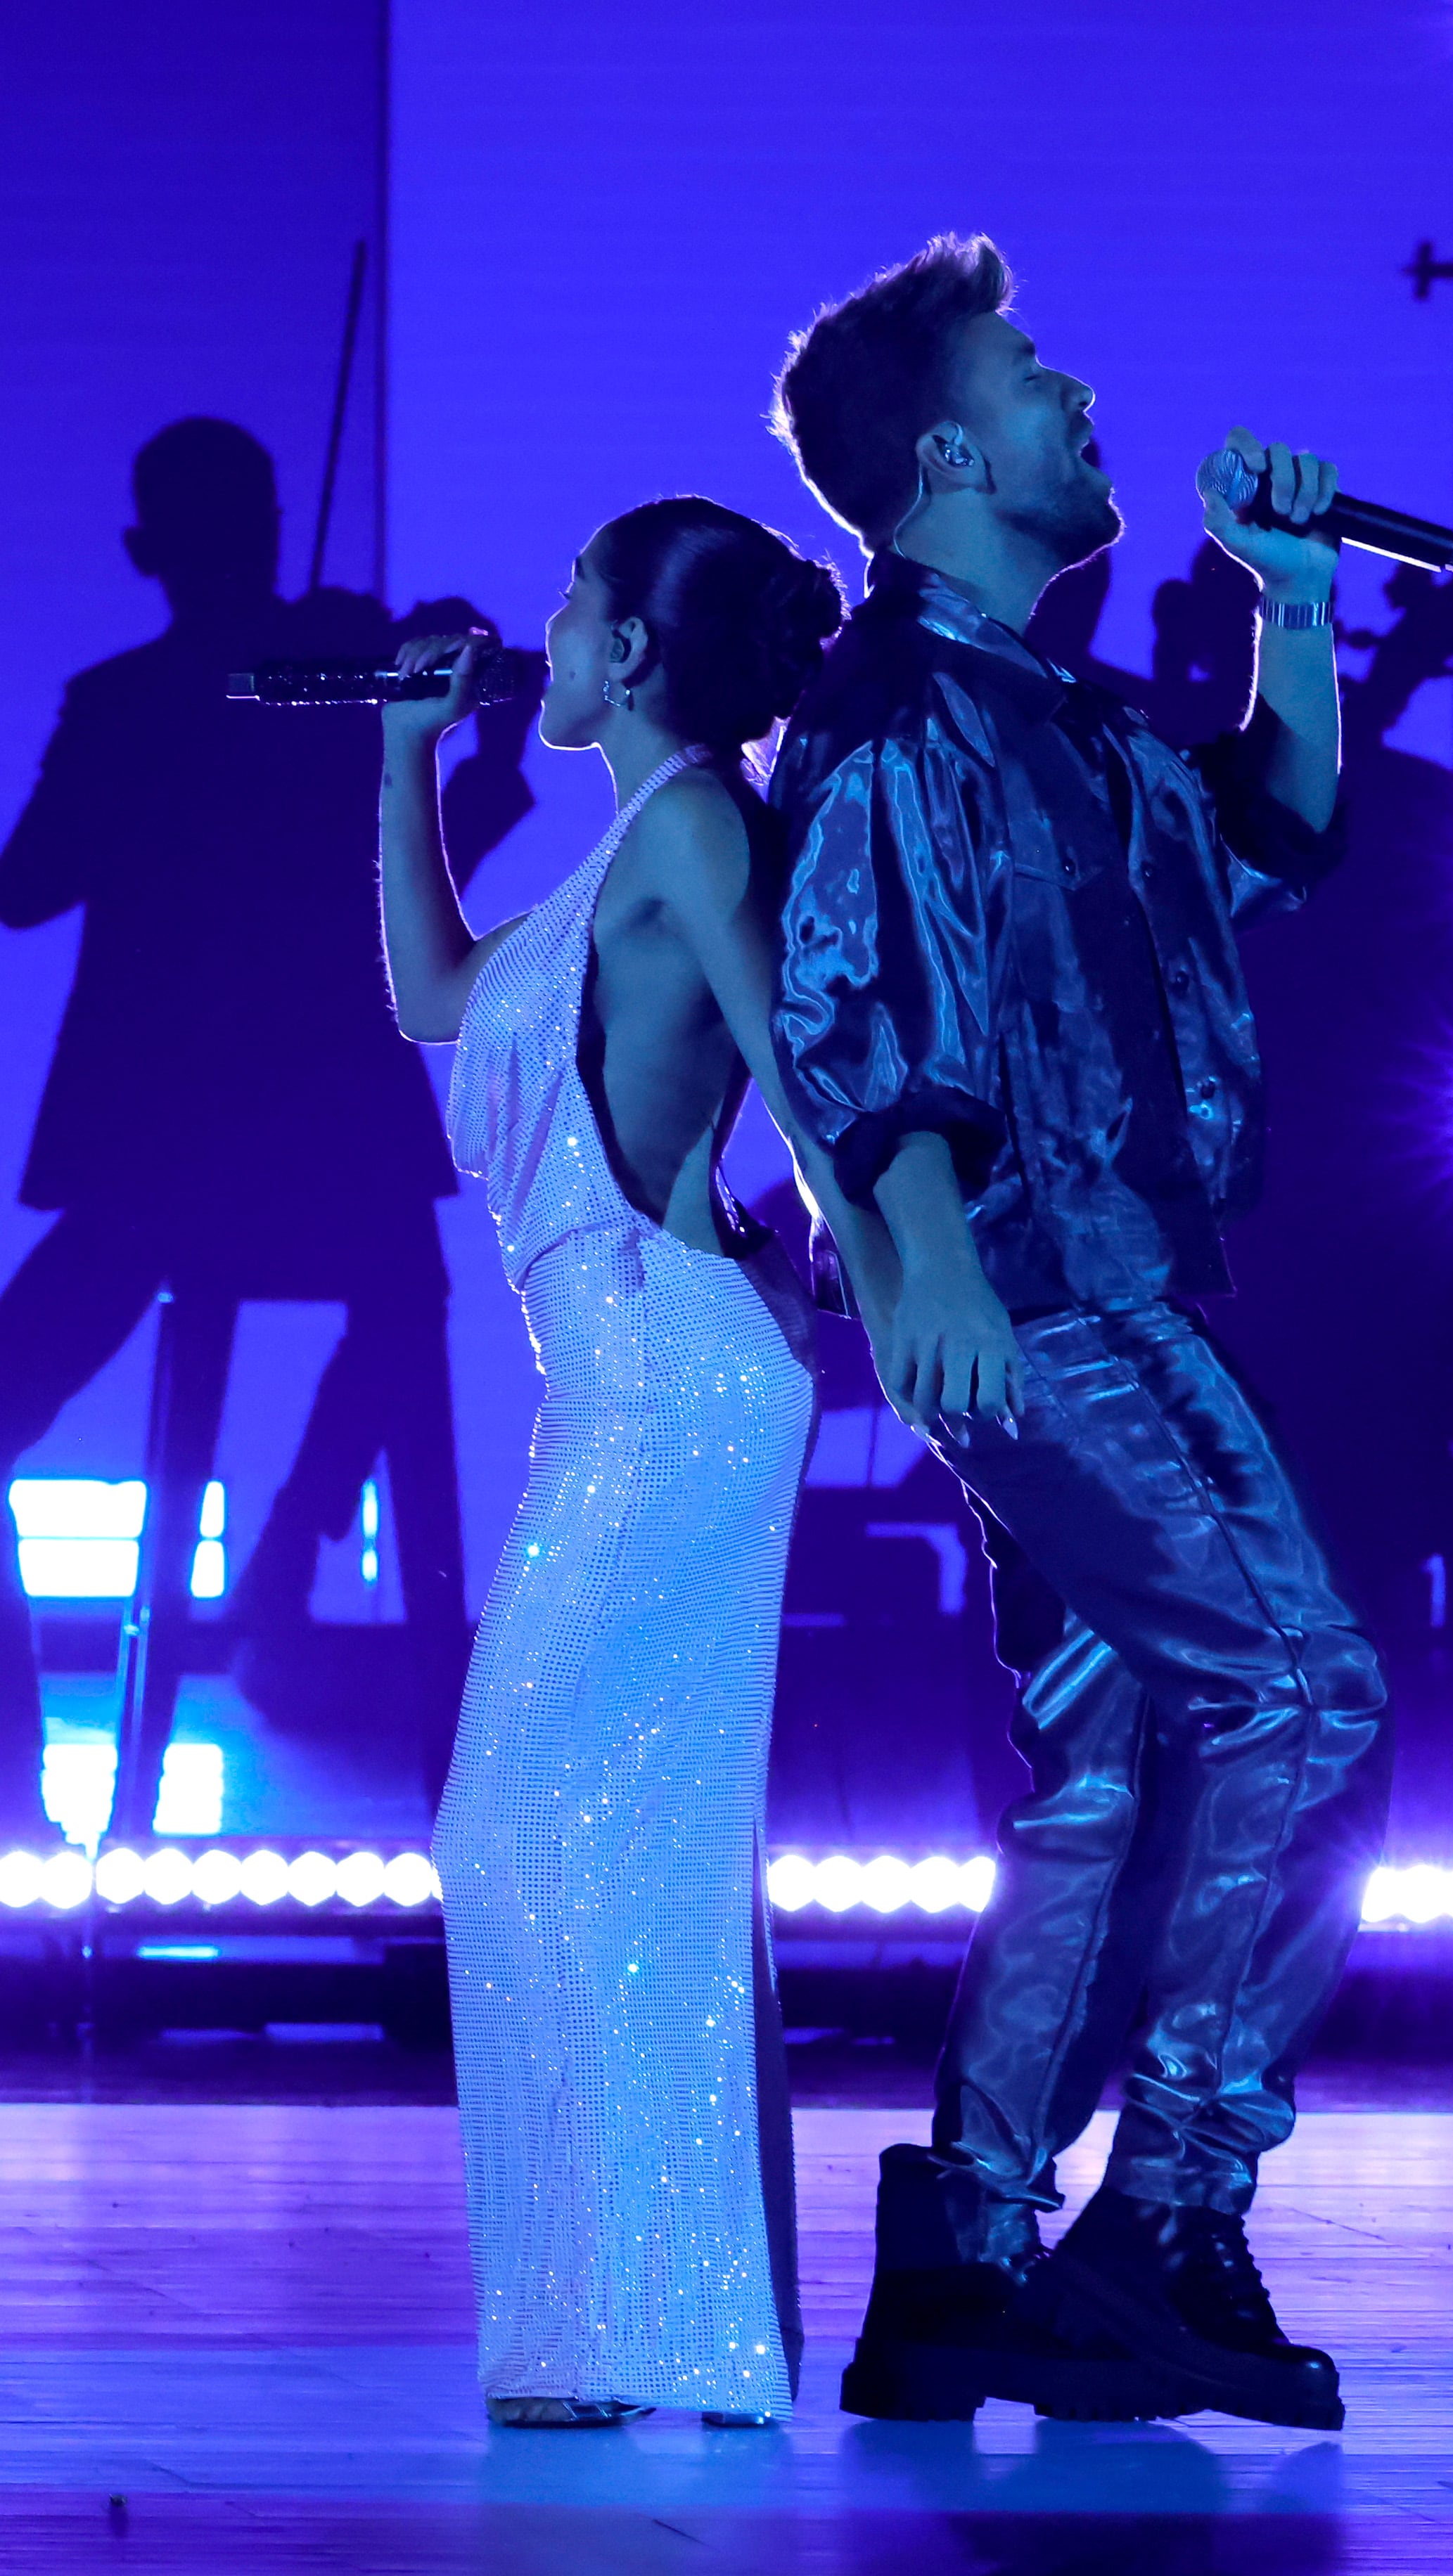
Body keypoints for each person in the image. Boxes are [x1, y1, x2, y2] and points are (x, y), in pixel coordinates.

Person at [769, 237, 1393, 2430]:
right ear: (950, 450)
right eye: (1038, 376)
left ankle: (959, 2259)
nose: (1081, 400)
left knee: (1111, 1765)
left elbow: (1275, 838)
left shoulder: (1070, 720)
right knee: (1303, 1685)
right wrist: (918, 1245)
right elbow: (853, 990)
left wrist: (1294, 598)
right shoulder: (886, 713)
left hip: (1099, 1273)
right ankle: (1173, 2214)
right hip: (1040, 1294)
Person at [379, 497, 896, 2429]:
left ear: (635, 655)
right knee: (590, 1848)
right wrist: (401, 760)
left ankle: (635, 2331)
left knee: (555, 1840)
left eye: (571, 608)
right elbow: (436, 996)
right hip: (620, 1383)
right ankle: (628, 2331)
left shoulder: (689, 825)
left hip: (675, 1382)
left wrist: (846, 1253)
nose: (544, 632)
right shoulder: (627, 847)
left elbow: (800, 1054)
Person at [0, 418, 532, 1834]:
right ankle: (284, 1562)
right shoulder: (327, 677)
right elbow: (431, 866)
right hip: (326, 1133)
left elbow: (21, 885)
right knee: (398, 1310)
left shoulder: (133, 702)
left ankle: (24, 1785)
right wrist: (461, 745)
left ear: (139, 551)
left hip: (161, 1149)